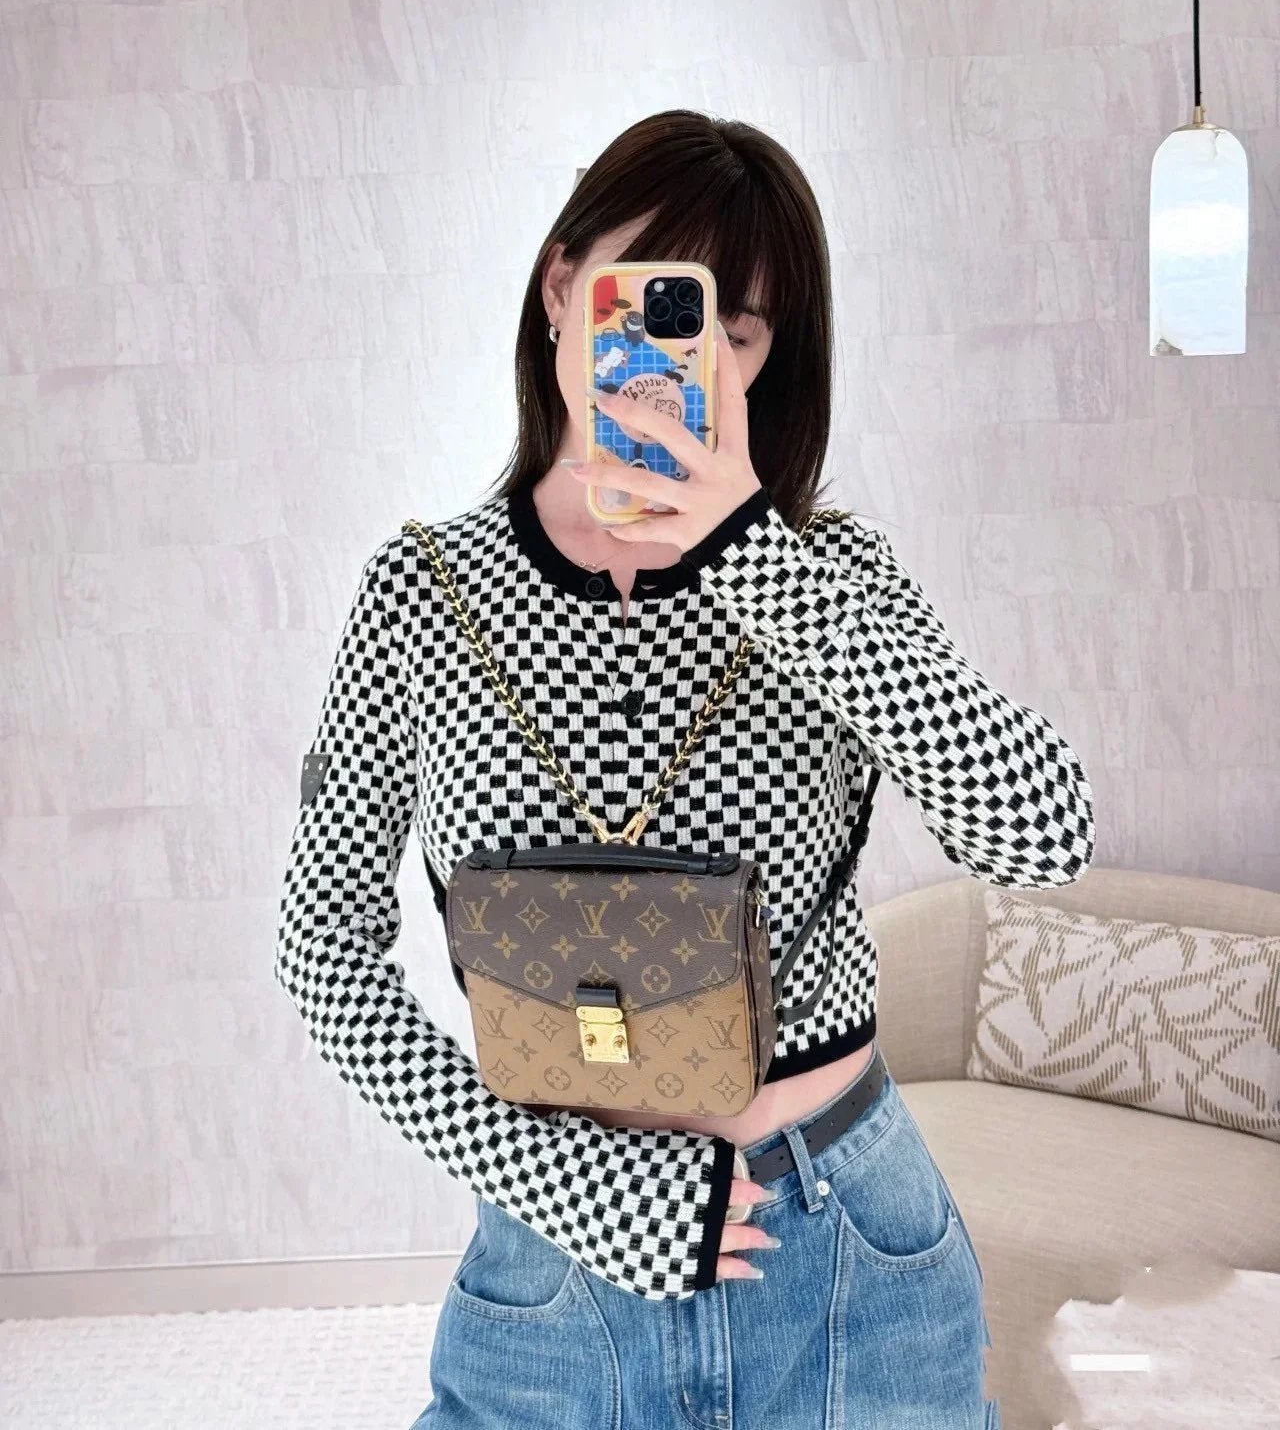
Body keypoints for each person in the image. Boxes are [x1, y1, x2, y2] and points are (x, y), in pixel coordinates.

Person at [274, 110, 1094, 1428]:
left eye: (735, 327)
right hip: (551, 1276)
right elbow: (322, 954)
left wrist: (749, 552)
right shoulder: (419, 594)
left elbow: (1041, 832)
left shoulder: (834, 580)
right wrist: (580, 1191)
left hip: (840, 1257)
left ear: (768, 359)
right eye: (651, 299)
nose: (682, 356)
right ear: (561, 288)